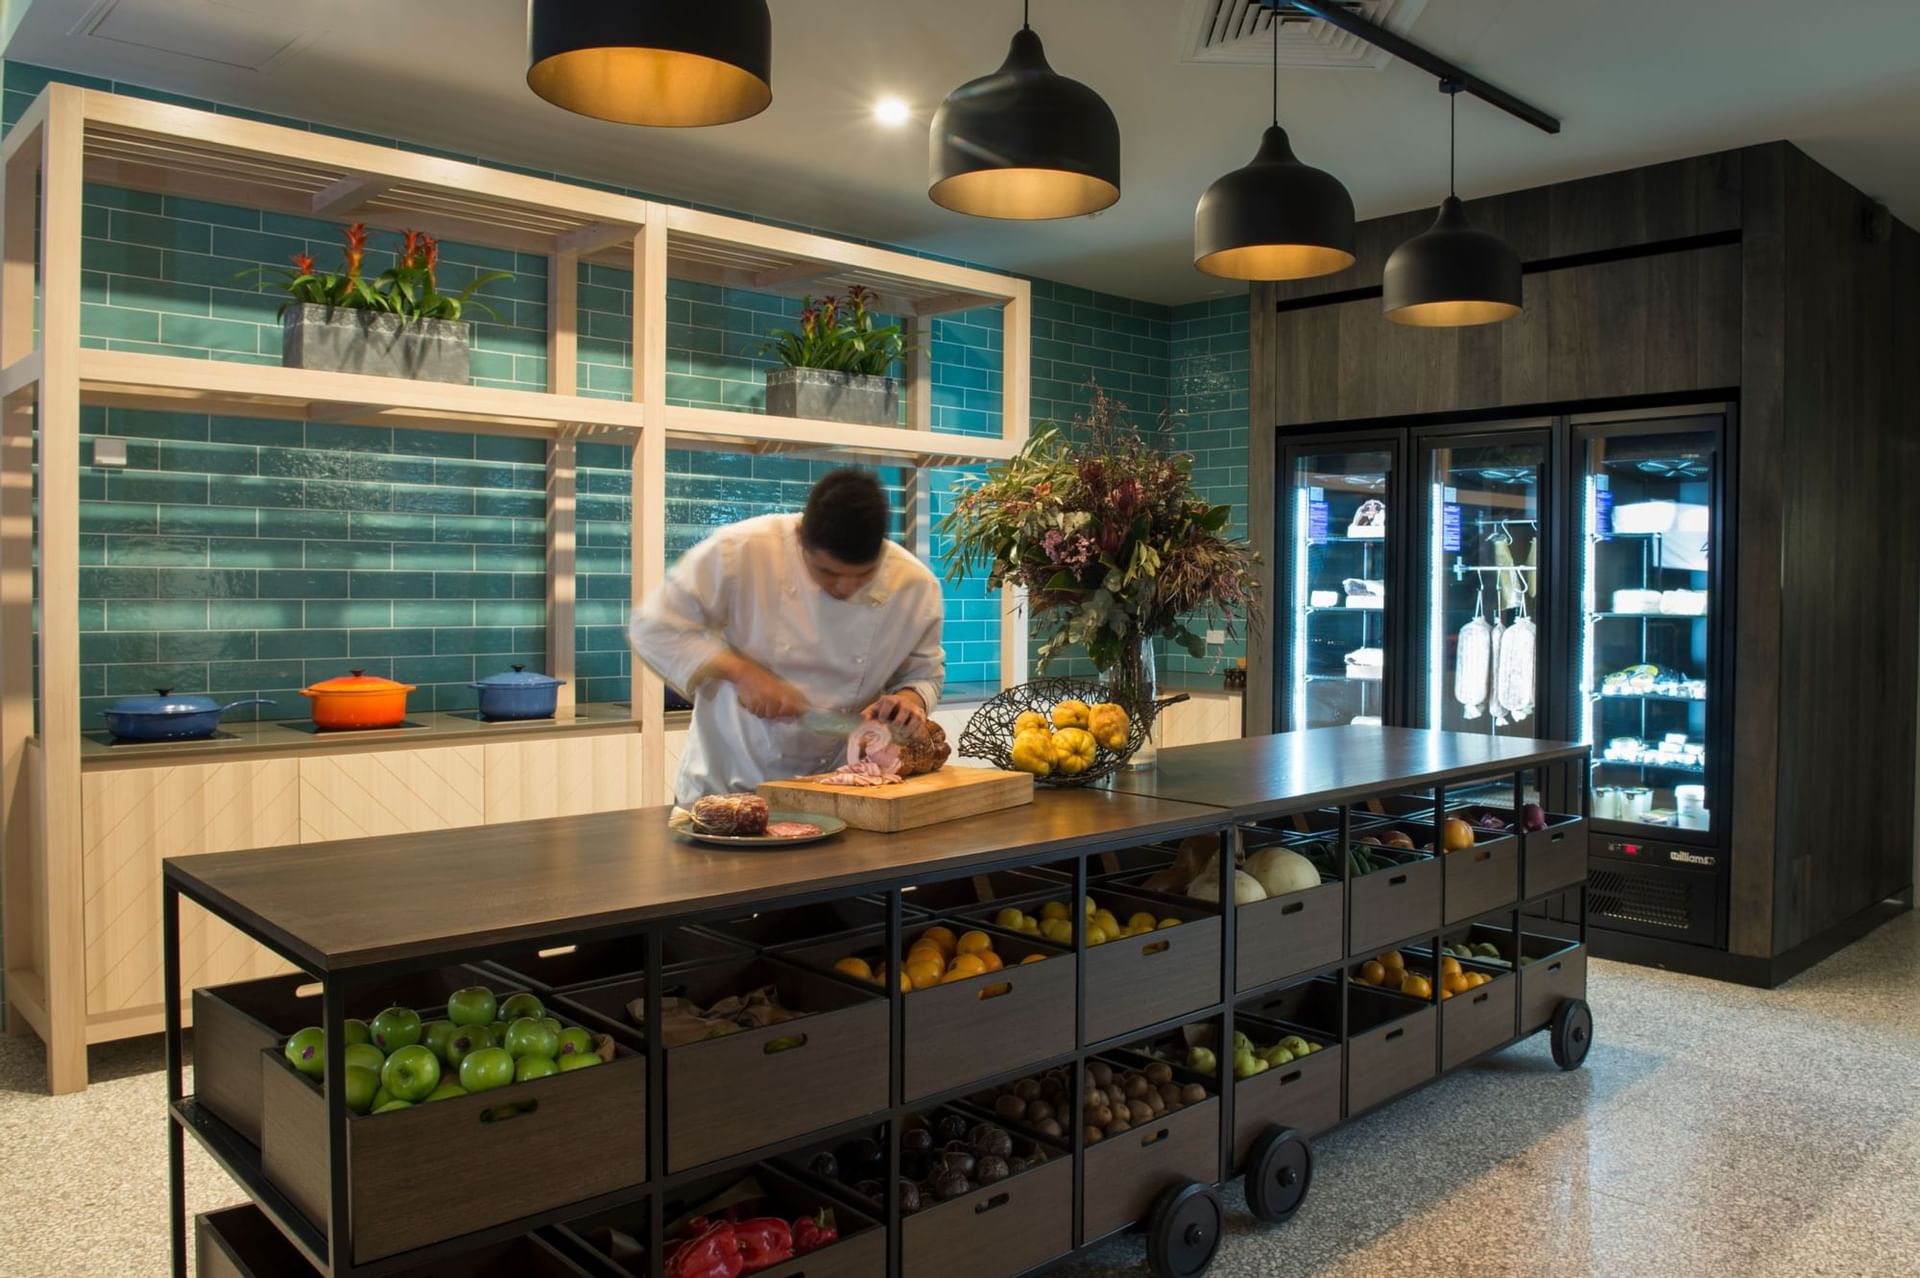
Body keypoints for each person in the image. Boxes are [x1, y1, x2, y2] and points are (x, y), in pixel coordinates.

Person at [630, 467, 946, 805]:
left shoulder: (915, 585)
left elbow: (924, 674)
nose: (844, 587)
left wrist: (910, 700)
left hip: (839, 789)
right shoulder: (740, 551)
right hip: (728, 786)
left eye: (863, 576)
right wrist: (740, 671)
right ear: (799, 539)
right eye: (827, 572)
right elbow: (652, 626)